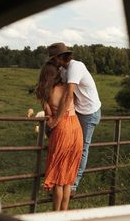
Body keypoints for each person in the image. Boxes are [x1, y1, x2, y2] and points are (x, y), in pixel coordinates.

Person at [47, 42, 101, 195]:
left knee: (81, 148)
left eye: (52, 59)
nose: (51, 62)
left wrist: (56, 120)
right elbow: (59, 92)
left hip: (89, 112)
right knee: (66, 144)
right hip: (77, 111)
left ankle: (72, 185)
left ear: (59, 57)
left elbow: (68, 94)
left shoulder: (75, 67)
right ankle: (60, 180)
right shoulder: (63, 70)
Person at [36, 63, 83, 211]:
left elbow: (49, 115)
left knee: (58, 179)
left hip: (62, 129)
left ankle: (56, 214)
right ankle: (64, 213)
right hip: (76, 128)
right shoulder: (68, 88)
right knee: (68, 179)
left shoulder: (45, 92)